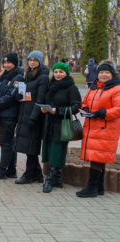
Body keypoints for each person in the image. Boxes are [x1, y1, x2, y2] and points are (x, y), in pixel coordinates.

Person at [76, 59, 120, 198]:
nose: (104, 75)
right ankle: (99, 187)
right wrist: (85, 109)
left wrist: (101, 113)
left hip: (106, 128)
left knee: (96, 158)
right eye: (101, 72)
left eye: (107, 72)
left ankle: (91, 188)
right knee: (98, 157)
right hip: (92, 127)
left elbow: (118, 110)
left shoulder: (116, 89)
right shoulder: (94, 87)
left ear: (112, 74)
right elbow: (85, 102)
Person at [40, 62, 81, 193]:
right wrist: (44, 109)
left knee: (57, 151)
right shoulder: (51, 85)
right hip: (49, 123)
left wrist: (57, 110)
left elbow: (76, 107)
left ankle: (49, 180)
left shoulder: (71, 88)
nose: (58, 74)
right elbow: (47, 101)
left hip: (62, 125)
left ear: (66, 73)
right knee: (50, 150)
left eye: (61, 72)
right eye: (56, 72)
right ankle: (57, 179)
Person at [14, 51, 49, 184]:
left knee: (31, 148)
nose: (32, 62)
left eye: (35, 60)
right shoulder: (28, 75)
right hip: (24, 114)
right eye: (30, 60)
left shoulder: (43, 77)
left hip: (33, 118)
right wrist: (18, 95)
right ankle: (38, 175)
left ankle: (28, 175)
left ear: (40, 61)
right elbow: (25, 95)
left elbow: (40, 99)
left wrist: (33, 118)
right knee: (29, 147)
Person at [0, 52, 25, 180]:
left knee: (6, 142)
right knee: (8, 142)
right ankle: (11, 169)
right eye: (5, 62)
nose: (6, 65)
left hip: (9, 115)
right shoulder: (2, 76)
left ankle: (2, 170)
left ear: (14, 63)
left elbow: (10, 97)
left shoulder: (18, 77)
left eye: (9, 63)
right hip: (1, 114)